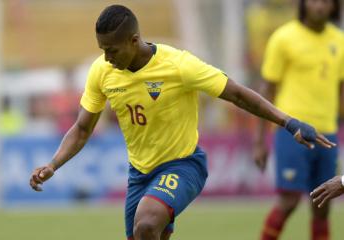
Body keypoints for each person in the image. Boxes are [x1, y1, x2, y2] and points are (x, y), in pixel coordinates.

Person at [30, 5, 335, 240]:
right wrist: (53, 165)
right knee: (147, 233)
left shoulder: (179, 65)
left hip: (183, 165)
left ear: (134, 40)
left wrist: (289, 122)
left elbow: (239, 95)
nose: (106, 57)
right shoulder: (102, 72)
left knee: (147, 223)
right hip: (140, 174)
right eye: (102, 50)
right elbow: (83, 128)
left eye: (112, 50)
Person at [253, 0, 343, 239]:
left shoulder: (340, 40)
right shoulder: (283, 38)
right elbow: (267, 91)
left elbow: (341, 90)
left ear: (335, 7)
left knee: (323, 204)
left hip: (329, 133)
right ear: (303, 4)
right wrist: (260, 141)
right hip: (293, 132)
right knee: (289, 201)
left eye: (327, 1)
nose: (320, 6)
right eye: (314, 0)